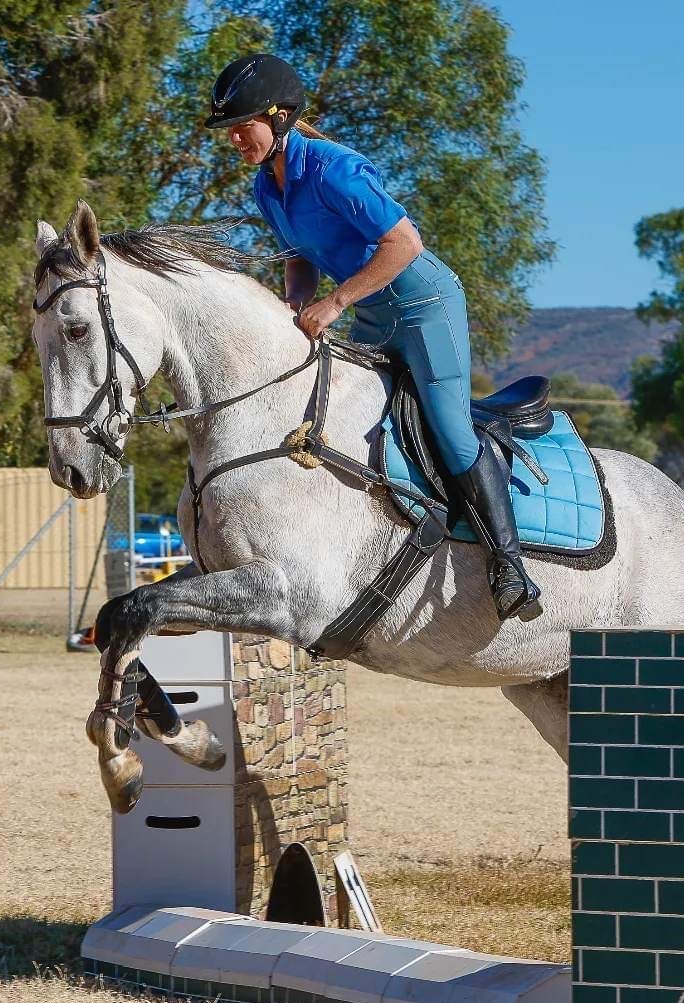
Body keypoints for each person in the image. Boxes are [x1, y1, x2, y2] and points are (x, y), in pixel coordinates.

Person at [205, 53, 541, 622]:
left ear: (282, 116)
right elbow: (300, 257)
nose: (235, 138)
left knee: (453, 433)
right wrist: (295, 305)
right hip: (370, 311)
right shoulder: (268, 186)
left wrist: (334, 302)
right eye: (228, 130)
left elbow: (404, 244)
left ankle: (511, 569)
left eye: (244, 124)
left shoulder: (335, 169)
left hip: (424, 306)